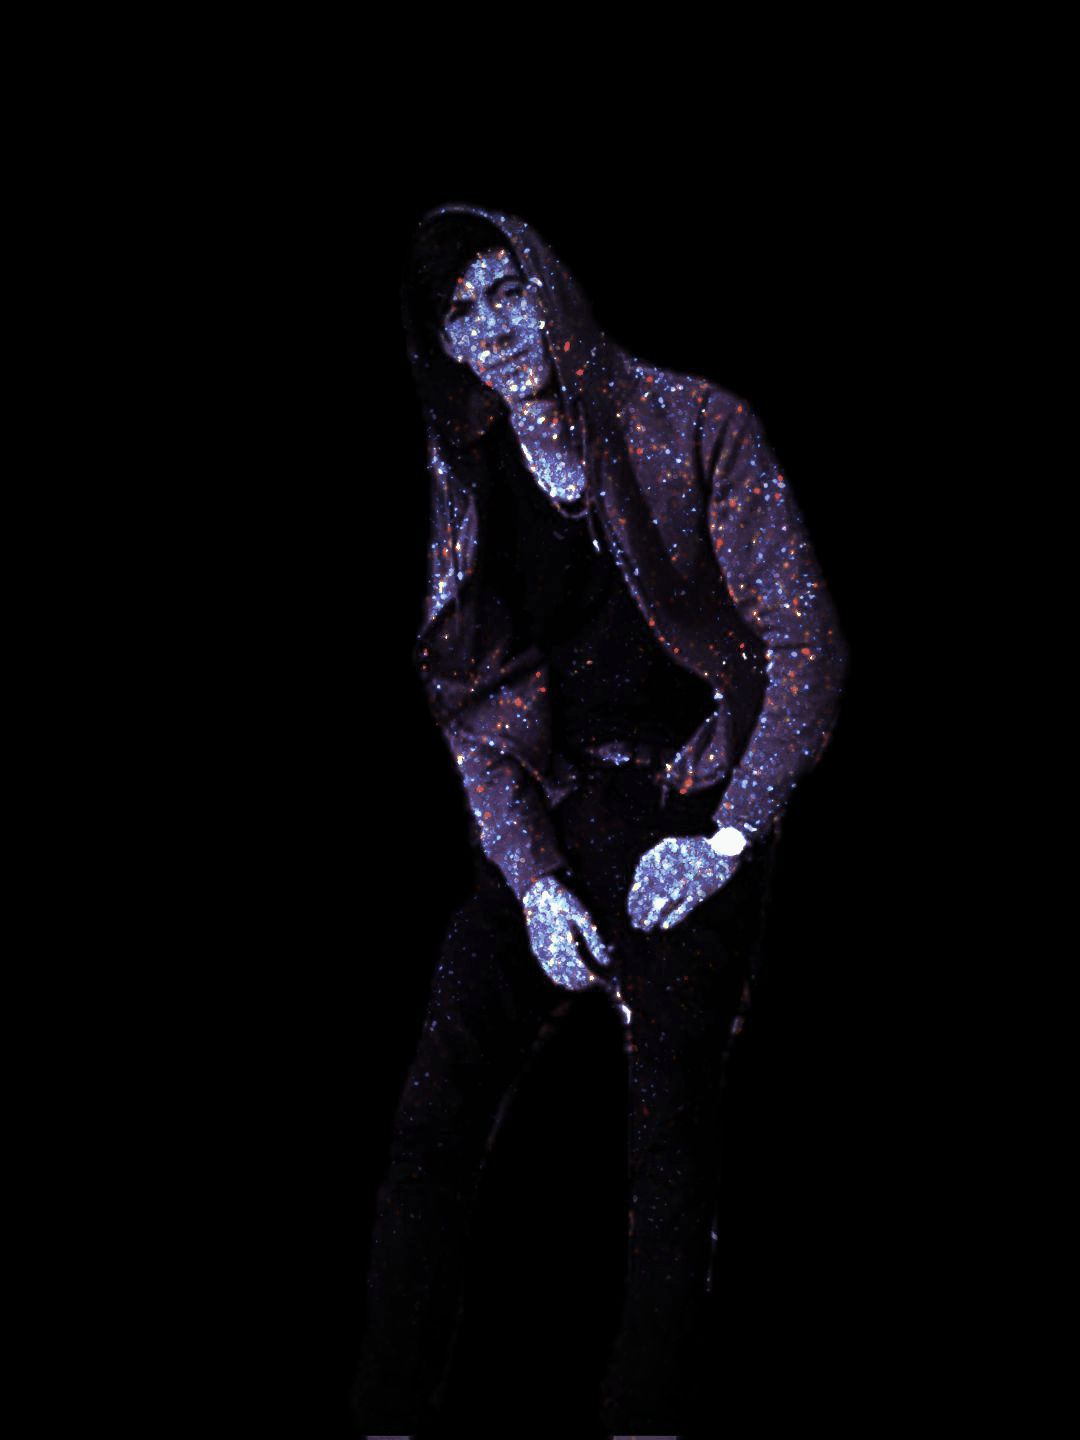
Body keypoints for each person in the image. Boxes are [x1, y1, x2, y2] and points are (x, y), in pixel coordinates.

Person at [351, 204, 848, 1434]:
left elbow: (806, 645)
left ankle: (643, 1420)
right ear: (442, 345)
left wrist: (726, 841)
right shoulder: (466, 473)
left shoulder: (696, 421)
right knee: (431, 1114)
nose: (493, 328)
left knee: (669, 1133)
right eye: (459, 314)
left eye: (505, 290)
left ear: (550, 287)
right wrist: (531, 880)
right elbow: (474, 708)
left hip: (691, 798)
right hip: (562, 806)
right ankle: (387, 1415)